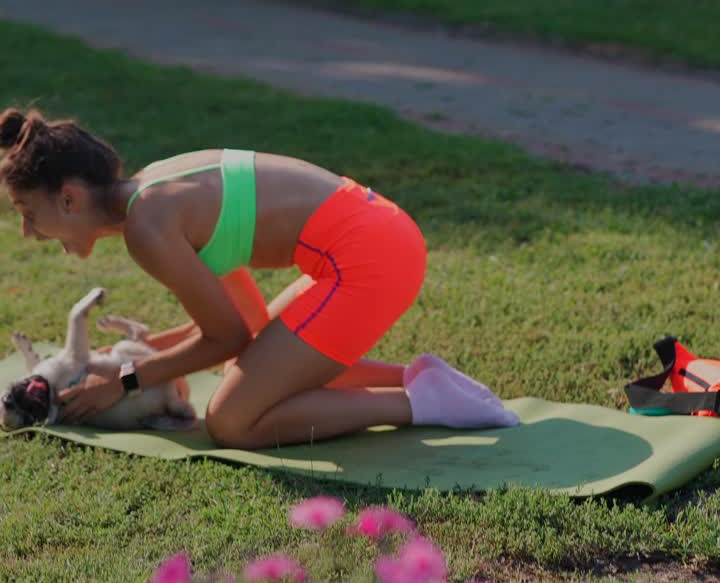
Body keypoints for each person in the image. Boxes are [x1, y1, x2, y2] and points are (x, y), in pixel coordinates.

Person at [0, 108, 516, 448]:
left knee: (232, 420)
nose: (27, 232)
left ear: (69, 198)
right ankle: (419, 378)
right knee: (254, 368)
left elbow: (228, 336)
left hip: (370, 260)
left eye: (27, 212)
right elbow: (246, 319)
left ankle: (419, 405)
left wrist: (126, 380)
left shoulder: (147, 228)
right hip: (380, 239)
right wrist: (157, 351)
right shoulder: (155, 190)